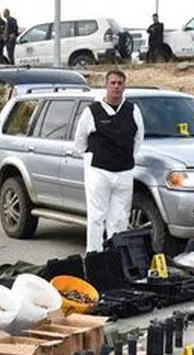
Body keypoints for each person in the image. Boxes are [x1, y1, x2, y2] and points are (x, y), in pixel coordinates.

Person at [72, 70, 144, 253]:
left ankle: (117, 257)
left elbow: (138, 139)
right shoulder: (92, 111)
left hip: (124, 172)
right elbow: (80, 141)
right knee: (97, 217)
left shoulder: (132, 110)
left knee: (120, 219)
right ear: (106, 85)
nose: (116, 87)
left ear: (124, 86)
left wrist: (126, 159)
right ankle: (94, 255)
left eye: (120, 83)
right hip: (99, 171)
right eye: (112, 83)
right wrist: (91, 157)